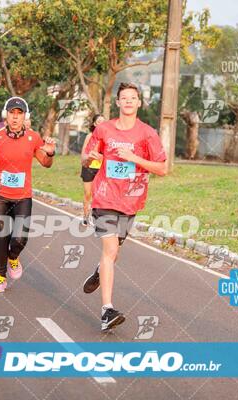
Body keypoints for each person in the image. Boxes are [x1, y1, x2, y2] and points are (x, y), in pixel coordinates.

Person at [81, 82, 168, 332]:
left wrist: (135, 158)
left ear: (139, 103)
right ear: (117, 103)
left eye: (133, 98)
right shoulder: (104, 130)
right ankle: (107, 310)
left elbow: (162, 168)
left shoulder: (147, 134)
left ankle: (99, 271)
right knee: (109, 251)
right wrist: (91, 158)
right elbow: (86, 156)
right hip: (104, 198)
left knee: (113, 254)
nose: (129, 101)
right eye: (124, 98)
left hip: (131, 201)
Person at [0, 97, 56, 293]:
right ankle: (0, 278)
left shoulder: (33, 137)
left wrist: (51, 153)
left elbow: (45, 163)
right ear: (6, 115)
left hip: (23, 195)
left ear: (25, 117)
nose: (15, 117)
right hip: (0, 194)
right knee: (1, 237)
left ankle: (13, 258)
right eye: (12, 113)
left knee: (20, 238)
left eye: (19, 114)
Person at [80, 114, 105, 225]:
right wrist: (88, 158)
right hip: (89, 168)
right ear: (94, 123)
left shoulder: (107, 138)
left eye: (103, 121)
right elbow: (83, 154)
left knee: (99, 194)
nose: (101, 123)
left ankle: (95, 216)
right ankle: (85, 216)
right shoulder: (90, 136)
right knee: (88, 193)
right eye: (99, 121)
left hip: (101, 169)